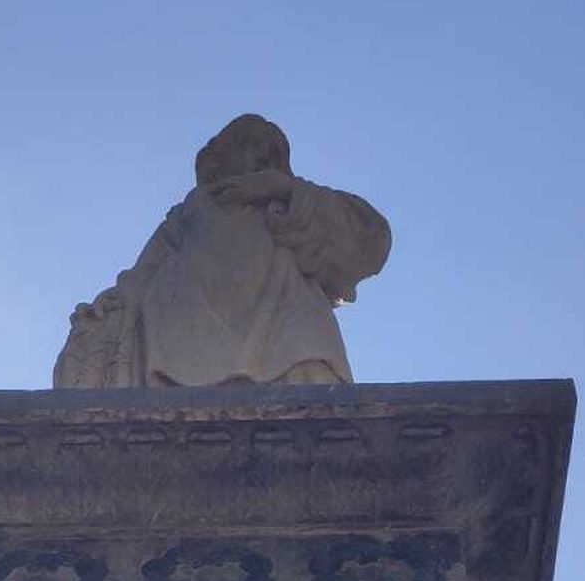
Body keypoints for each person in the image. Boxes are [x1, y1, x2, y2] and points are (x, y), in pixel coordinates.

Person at [53, 115, 391, 389]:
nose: (257, 158)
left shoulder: (287, 203)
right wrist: (113, 304)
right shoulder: (193, 208)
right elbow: (146, 269)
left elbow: (371, 240)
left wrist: (285, 190)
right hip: (183, 334)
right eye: (243, 147)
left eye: (265, 152)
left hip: (286, 333)